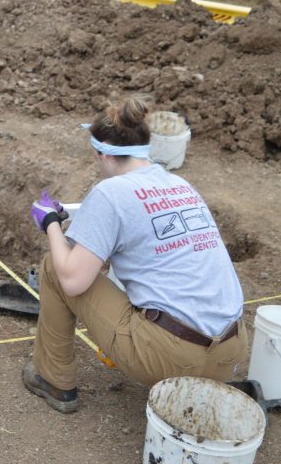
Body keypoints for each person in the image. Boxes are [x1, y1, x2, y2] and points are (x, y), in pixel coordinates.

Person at [22, 96, 247, 414]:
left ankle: (54, 379)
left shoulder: (110, 193)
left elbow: (73, 280)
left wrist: (50, 224)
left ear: (102, 154)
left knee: (53, 268)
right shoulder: (180, 184)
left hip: (171, 359)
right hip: (230, 355)